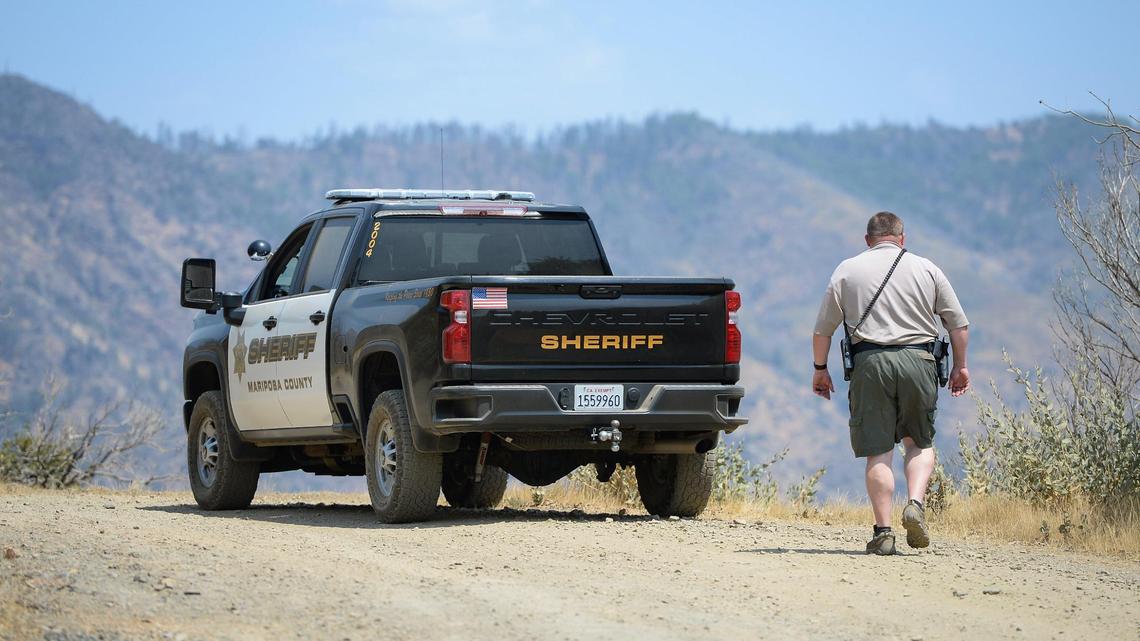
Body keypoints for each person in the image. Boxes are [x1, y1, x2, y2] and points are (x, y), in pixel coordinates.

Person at [811, 212, 970, 555]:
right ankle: (914, 503)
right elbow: (958, 326)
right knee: (918, 442)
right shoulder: (927, 268)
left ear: (867, 239)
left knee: (878, 451)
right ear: (902, 238)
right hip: (920, 361)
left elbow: (823, 330)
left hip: (870, 364)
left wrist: (820, 369)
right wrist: (961, 367)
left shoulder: (847, 270)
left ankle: (883, 532)